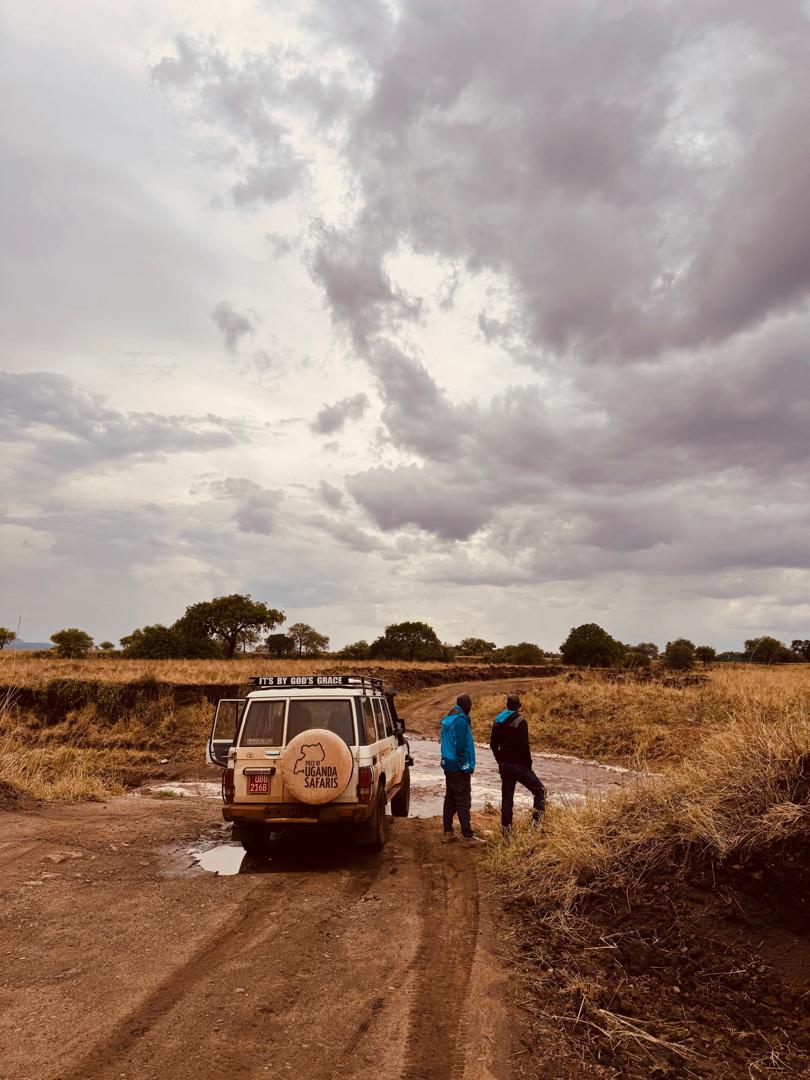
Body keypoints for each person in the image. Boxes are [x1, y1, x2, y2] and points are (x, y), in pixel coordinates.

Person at [490, 694, 545, 837]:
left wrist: (499, 760)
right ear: (518, 706)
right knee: (540, 791)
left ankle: (506, 833)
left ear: (507, 705)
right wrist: (528, 766)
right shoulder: (521, 722)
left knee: (507, 798)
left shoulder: (497, 721)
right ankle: (536, 826)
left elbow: (493, 744)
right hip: (519, 766)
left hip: (505, 765)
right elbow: (524, 747)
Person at [440, 694, 485, 847]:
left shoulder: (450, 717)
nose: (471, 707)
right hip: (458, 768)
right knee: (463, 801)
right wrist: (466, 766)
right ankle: (468, 836)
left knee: (450, 799)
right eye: (470, 704)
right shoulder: (460, 721)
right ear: (465, 705)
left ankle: (448, 832)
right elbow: (461, 747)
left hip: (449, 765)